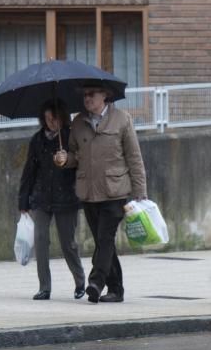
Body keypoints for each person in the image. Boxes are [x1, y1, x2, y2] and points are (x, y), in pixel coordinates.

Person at [54, 85, 146, 303]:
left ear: (105, 95)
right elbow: (76, 156)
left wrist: (140, 191)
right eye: (84, 95)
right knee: (103, 242)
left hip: (115, 191)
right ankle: (116, 290)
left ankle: (96, 282)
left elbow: (134, 157)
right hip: (88, 192)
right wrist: (65, 159)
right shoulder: (78, 123)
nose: (87, 98)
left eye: (91, 94)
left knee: (105, 238)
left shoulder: (122, 119)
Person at [17, 99, 86, 301]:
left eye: (54, 119)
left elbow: (81, 162)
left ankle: (80, 281)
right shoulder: (37, 140)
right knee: (40, 241)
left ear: (62, 118)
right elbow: (29, 171)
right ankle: (44, 287)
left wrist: (68, 160)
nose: (51, 123)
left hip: (66, 197)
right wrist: (23, 201)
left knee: (68, 243)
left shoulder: (70, 137)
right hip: (41, 197)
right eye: (47, 119)